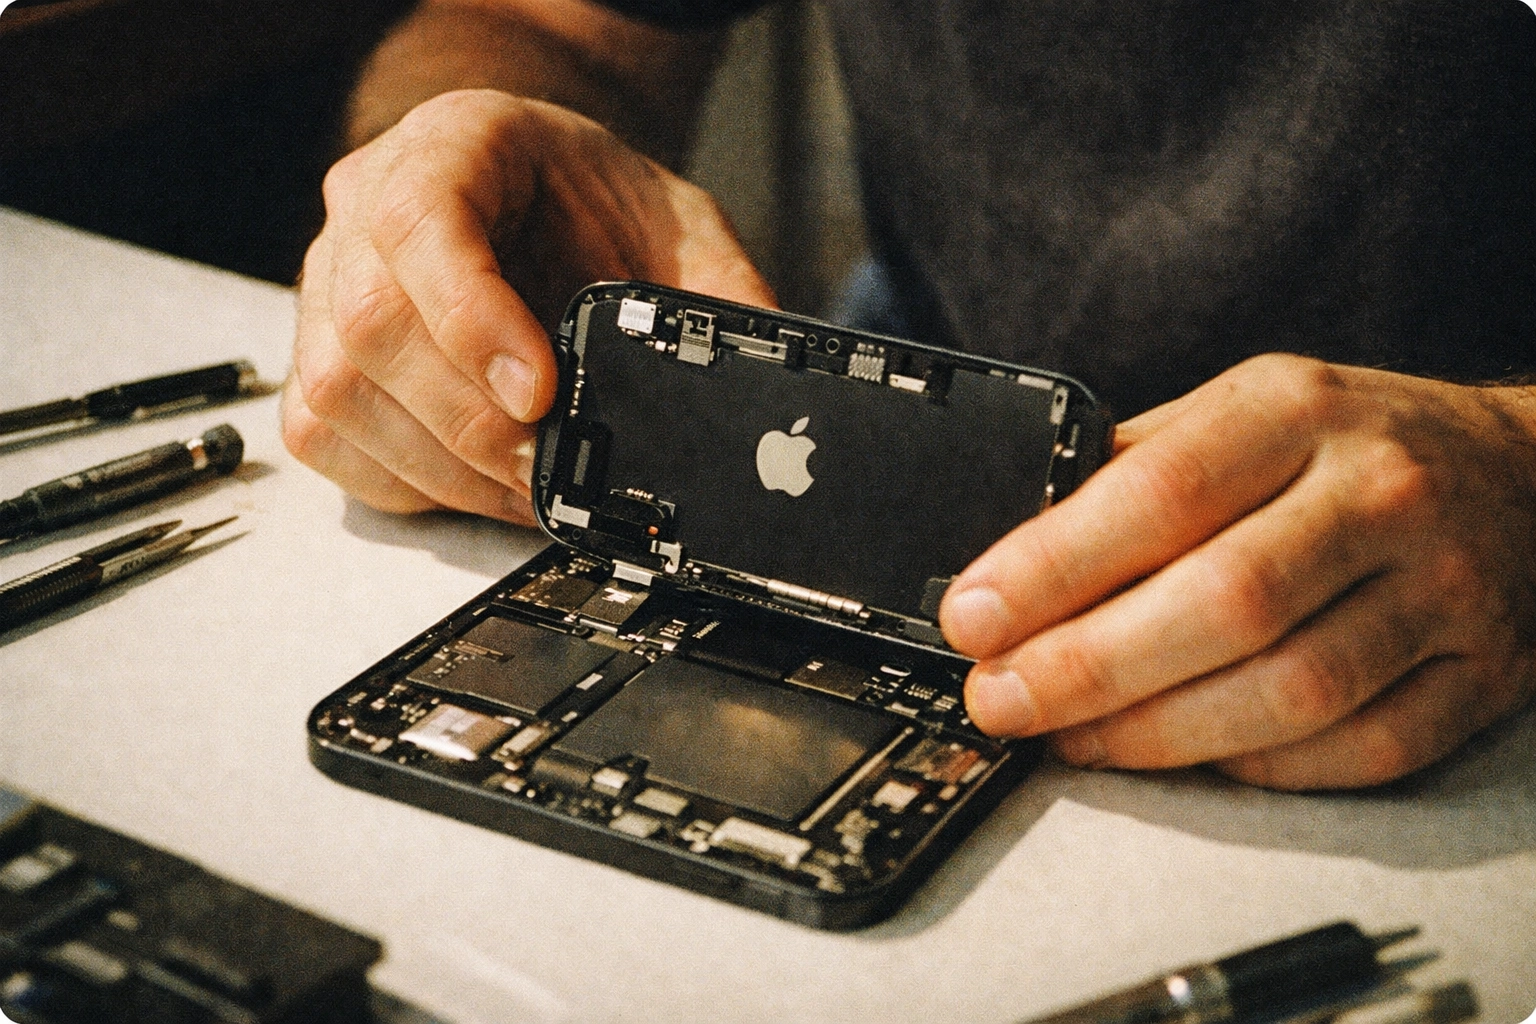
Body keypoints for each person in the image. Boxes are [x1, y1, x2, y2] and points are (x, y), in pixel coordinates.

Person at [280, 0, 1536, 792]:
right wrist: (441, 163)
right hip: (894, 385)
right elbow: (548, 24)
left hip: (1435, 578)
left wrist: (1516, 464)